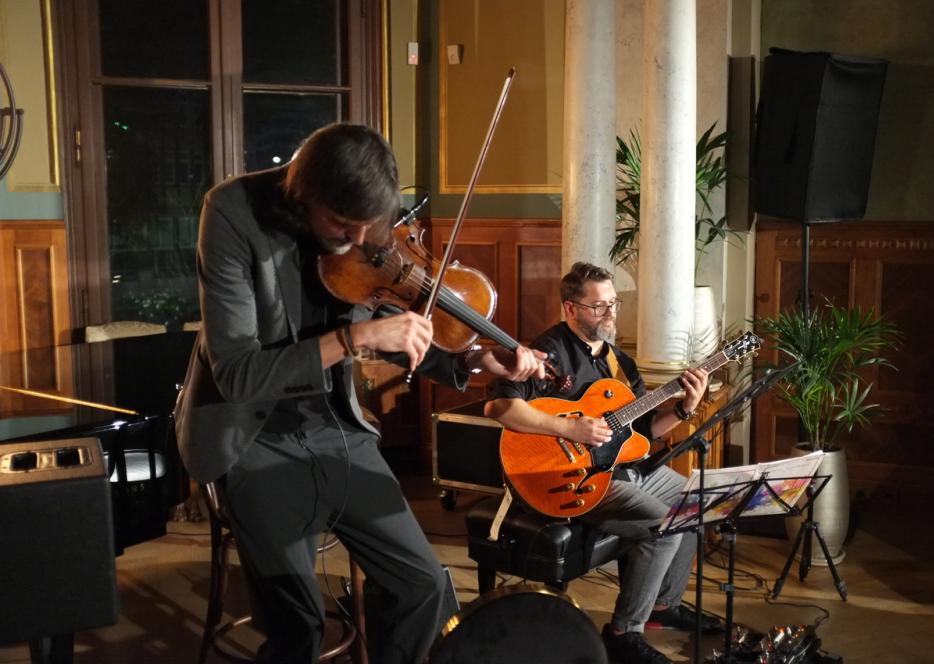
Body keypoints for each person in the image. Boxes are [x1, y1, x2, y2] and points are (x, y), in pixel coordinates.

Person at [174, 122, 546, 664]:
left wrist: (473, 360)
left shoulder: (368, 230)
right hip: (251, 438)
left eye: (370, 225)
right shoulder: (232, 211)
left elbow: (389, 314)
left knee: (424, 585)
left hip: (333, 428)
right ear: (304, 193)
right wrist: (356, 339)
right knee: (298, 627)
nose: (359, 238)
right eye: (343, 224)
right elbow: (237, 375)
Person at [484, 262, 722, 664]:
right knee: (664, 526)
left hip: (621, 468)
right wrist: (568, 428)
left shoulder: (620, 364)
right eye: (599, 306)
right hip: (566, 477)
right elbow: (499, 407)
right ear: (570, 308)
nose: (610, 313)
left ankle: (663, 605)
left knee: (696, 500)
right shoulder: (547, 353)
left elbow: (644, 433)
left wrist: (685, 408)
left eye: (613, 303)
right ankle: (623, 633)